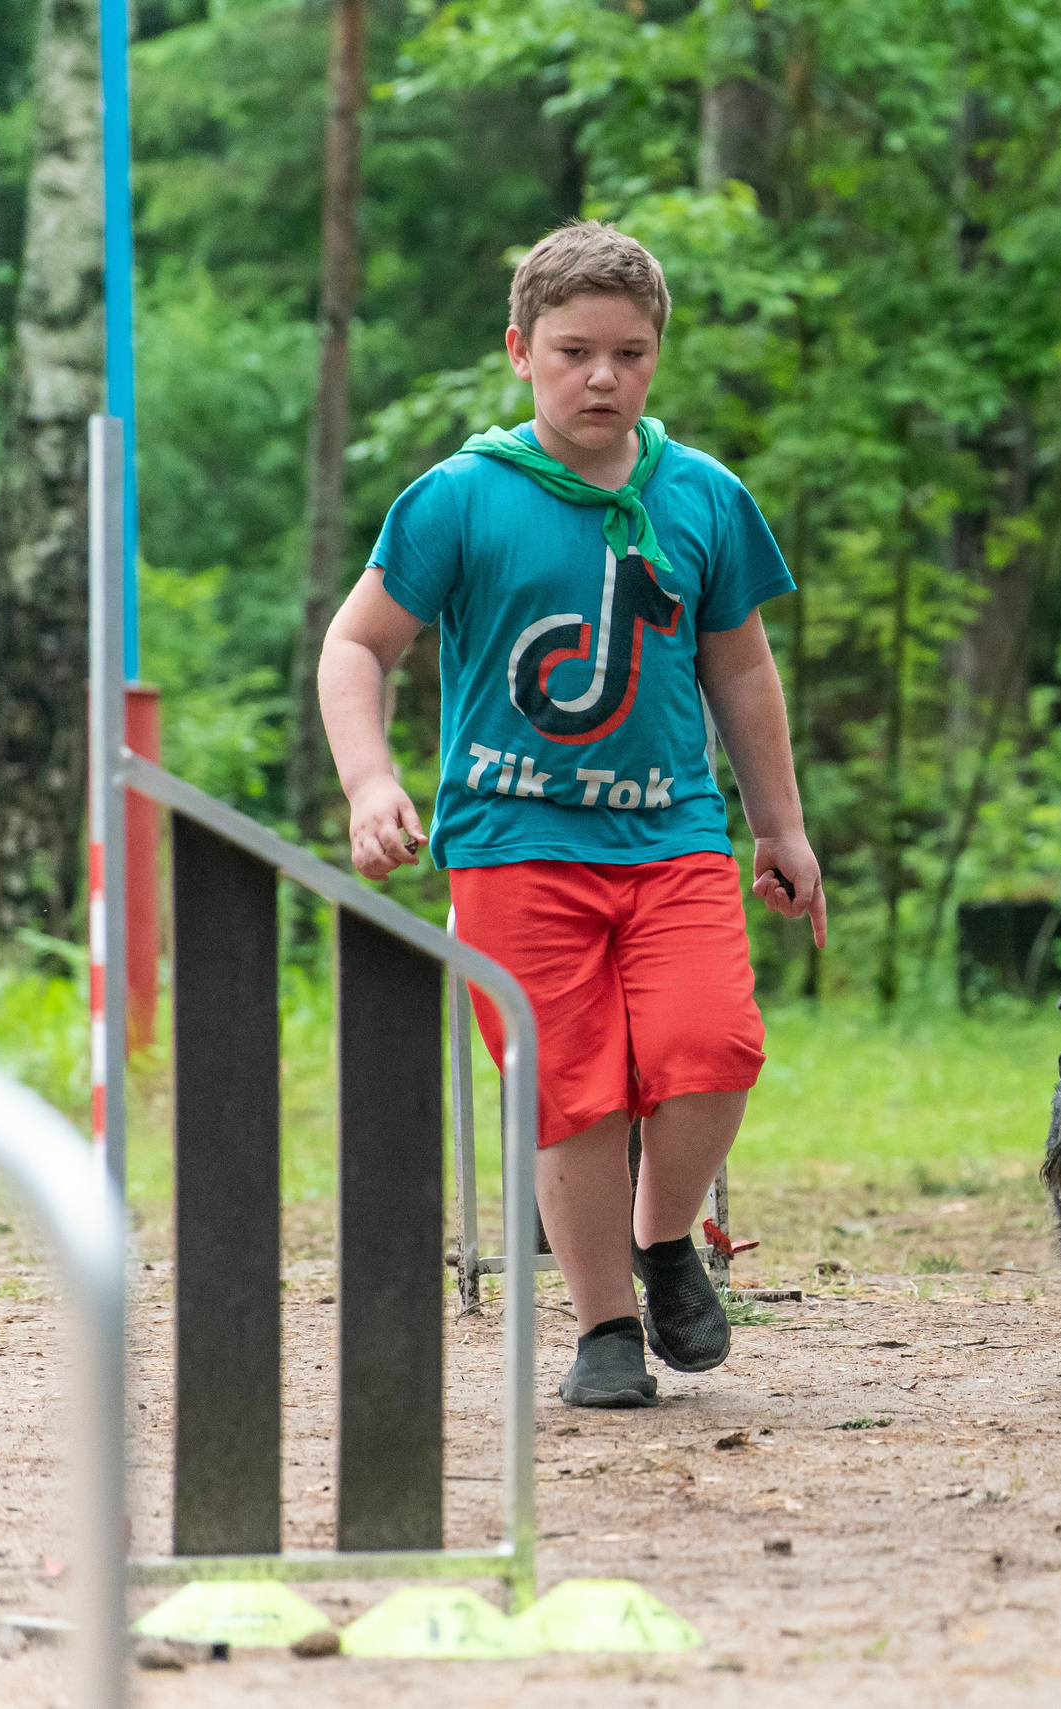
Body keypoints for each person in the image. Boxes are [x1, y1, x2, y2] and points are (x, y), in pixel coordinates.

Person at [318, 220, 824, 1408]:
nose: (602, 376)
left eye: (630, 353)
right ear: (520, 351)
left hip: (673, 834)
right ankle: (602, 1323)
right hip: (514, 841)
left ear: (656, 358)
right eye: (574, 351)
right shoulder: (460, 497)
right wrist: (370, 780)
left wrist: (781, 824)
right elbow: (357, 642)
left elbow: (742, 671)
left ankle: (661, 1242)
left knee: (712, 1047)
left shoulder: (701, 496)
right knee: (572, 1085)